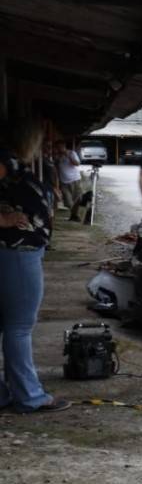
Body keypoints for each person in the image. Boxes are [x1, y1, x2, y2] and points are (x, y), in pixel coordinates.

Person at [0, 121, 70, 413]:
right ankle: (29, 396)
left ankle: (6, 394)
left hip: (15, 250)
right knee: (19, 327)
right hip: (17, 250)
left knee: (8, 324)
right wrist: (2, 220)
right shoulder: (6, 160)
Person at [55, 140, 82, 221]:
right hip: (64, 182)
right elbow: (55, 169)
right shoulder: (56, 156)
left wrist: (68, 156)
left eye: (61, 147)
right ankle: (74, 215)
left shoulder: (71, 153)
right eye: (58, 147)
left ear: (64, 146)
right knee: (68, 202)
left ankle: (74, 216)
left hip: (75, 179)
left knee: (78, 198)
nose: (60, 149)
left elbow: (77, 163)